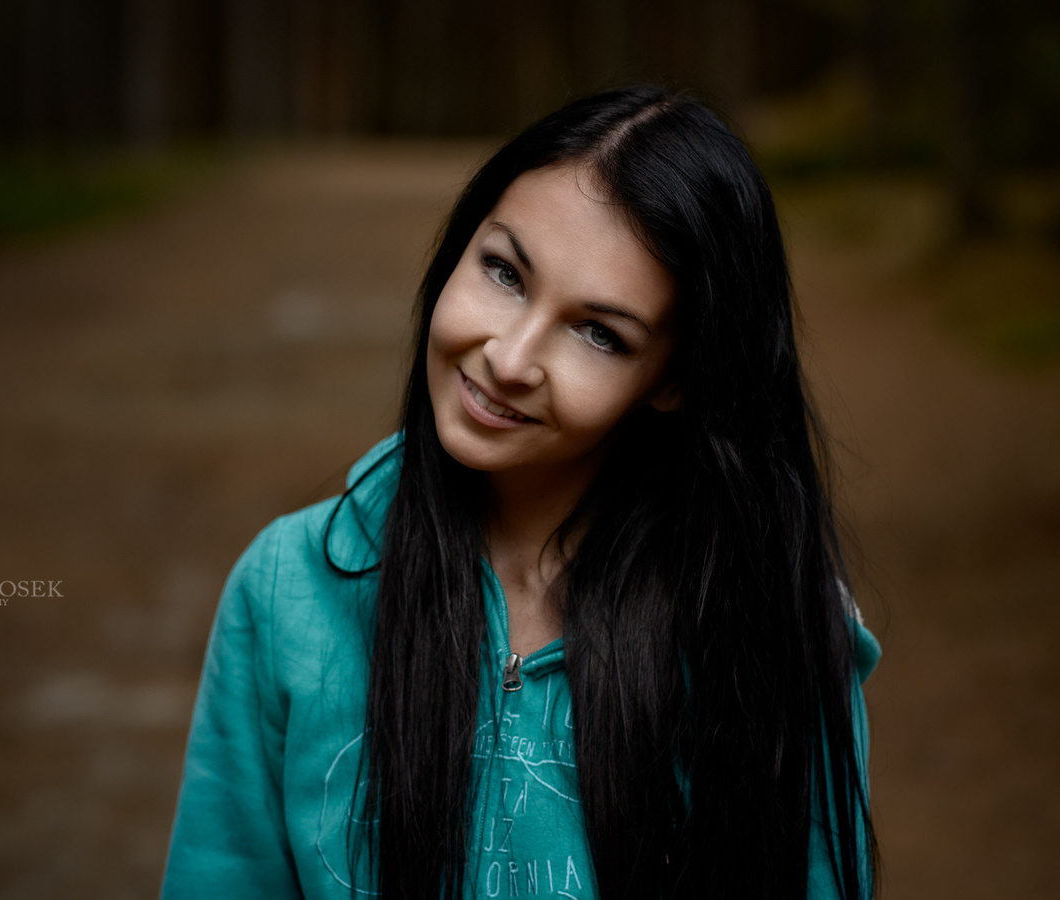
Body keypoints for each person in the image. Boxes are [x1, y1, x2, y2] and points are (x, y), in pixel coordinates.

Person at [160, 84, 880, 900]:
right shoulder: (287, 589)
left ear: (673, 380)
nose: (510, 357)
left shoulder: (765, 625)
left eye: (599, 332)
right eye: (503, 272)